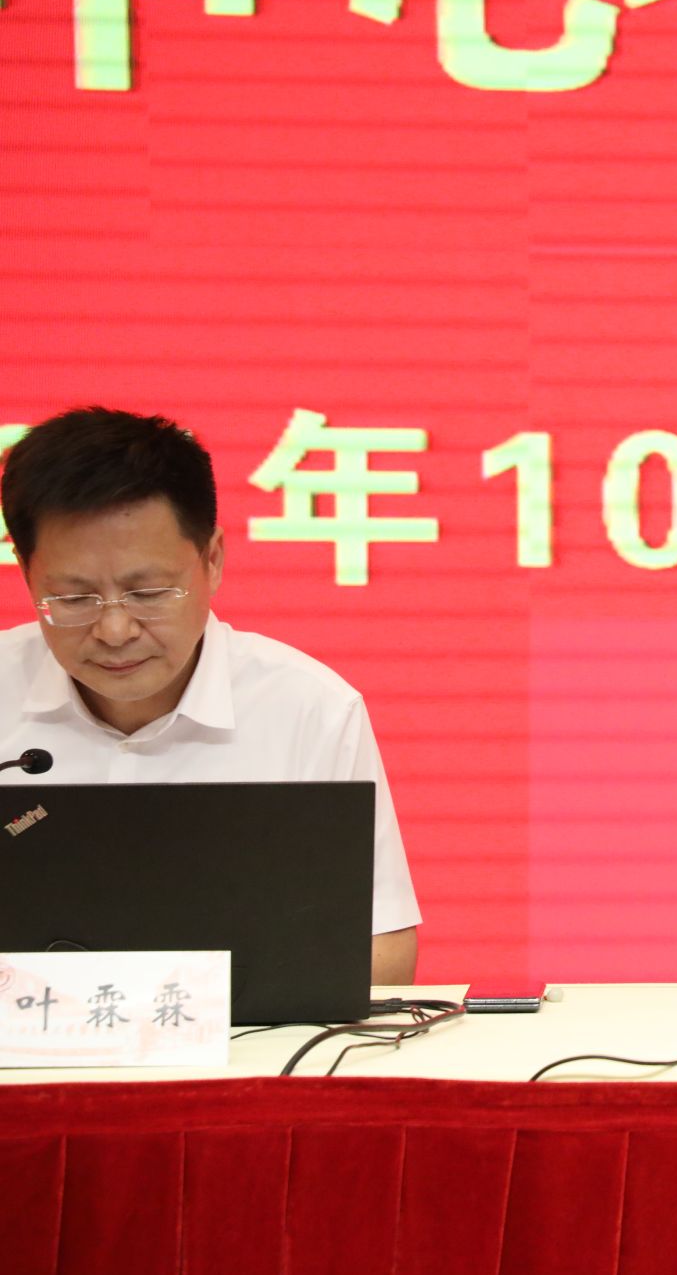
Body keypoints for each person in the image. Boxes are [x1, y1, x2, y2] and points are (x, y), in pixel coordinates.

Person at [0, 406, 421, 984]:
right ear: (26, 572)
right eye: (74, 599)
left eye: (148, 592)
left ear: (213, 560)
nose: (115, 630)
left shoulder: (308, 709)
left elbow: (381, 951)